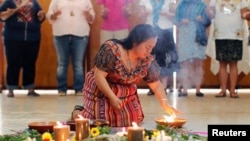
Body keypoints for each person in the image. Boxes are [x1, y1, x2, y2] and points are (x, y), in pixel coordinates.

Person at [73, 24, 181, 127]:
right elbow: (99, 76)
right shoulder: (112, 50)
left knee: (132, 119)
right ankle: (78, 112)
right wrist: (112, 97)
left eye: (152, 47)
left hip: (124, 91)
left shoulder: (147, 60)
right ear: (135, 42)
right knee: (100, 121)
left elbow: (156, 85)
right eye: (147, 47)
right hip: (102, 86)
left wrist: (165, 104)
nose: (149, 51)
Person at [46, 0, 95, 96]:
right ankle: (62, 89)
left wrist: (88, 15)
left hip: (80, 35)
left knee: (78, 65)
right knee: (62, 64)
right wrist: (54, 15)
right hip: (60, 34)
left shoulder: (85, 1)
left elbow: (91, 17)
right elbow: (49, 15)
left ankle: (79, 89)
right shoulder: (56, 1)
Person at [0, 0, 46, 97]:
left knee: (30, 63)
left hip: (33, 37)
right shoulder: (8, 2)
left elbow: (40, 17)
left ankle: (30, 88)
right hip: (12, 37)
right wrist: (8, 13)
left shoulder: (34, 2)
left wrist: (40, 15)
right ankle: (11, 89)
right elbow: (1, 15)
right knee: (13, 63)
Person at [207, 0, 250, 98]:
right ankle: (223, 90)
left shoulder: (241, 0)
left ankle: (232, 90)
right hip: (220, 34)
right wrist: (208, 12)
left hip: (236, 34)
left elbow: (243, 14)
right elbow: (211, 13)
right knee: (222, 63)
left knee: (233, 63)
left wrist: (246, 15)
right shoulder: (215, 0)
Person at [139, 0, 180, 96]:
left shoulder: (168, 1)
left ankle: (164, 87)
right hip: (150, 31)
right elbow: (140, 16)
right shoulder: (144, 1)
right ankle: (153, 87)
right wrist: (143, 14)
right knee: (150, 60)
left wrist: (166, 14)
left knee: (165, 60)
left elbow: (175, 16)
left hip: (165, 31)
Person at [173, 0, 211, 97]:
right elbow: (175, 20)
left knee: (198, 63)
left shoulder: (202, 5)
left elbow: (208, 21)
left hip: (198, 35)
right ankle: (185, 89)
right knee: (184, 63)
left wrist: (202, 19)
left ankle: (198, 89)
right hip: (184, 34)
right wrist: (181, 21)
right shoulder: (180, 5)